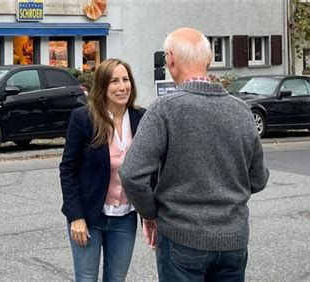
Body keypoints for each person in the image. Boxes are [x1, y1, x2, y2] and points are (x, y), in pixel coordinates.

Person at [119, 27, 270, 281]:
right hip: (233, 241)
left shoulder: (164, 110)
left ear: (170, 59)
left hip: (181, 237)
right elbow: (258, 179)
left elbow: (132, 173)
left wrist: (150, 213)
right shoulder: (243, 111)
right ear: (209, 60)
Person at [59, 58, 151, 281]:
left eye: (126, 80)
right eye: (114, 81)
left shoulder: (143, 118)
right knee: (86, 277)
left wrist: (151, 212)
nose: (122, 87)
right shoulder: (83, 119)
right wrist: (76, 217)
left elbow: (151, 169)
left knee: (116, 279)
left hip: (125, 217)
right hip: (89, 216)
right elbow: (68, 170)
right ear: (102, 86)